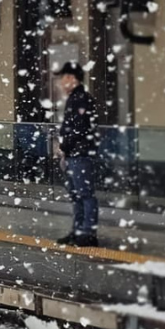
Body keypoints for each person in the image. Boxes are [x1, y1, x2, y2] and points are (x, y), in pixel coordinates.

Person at [53, 62, 99, 247]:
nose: (61, 83)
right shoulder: (76, 98)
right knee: (77, 195)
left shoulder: (81, 98)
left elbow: (79, 129)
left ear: (72, 78)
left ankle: (87, 233)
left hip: (80, 154)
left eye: (63, 78)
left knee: (84, 194)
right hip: (75, 154)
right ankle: (78, 231)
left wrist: (64, 145)